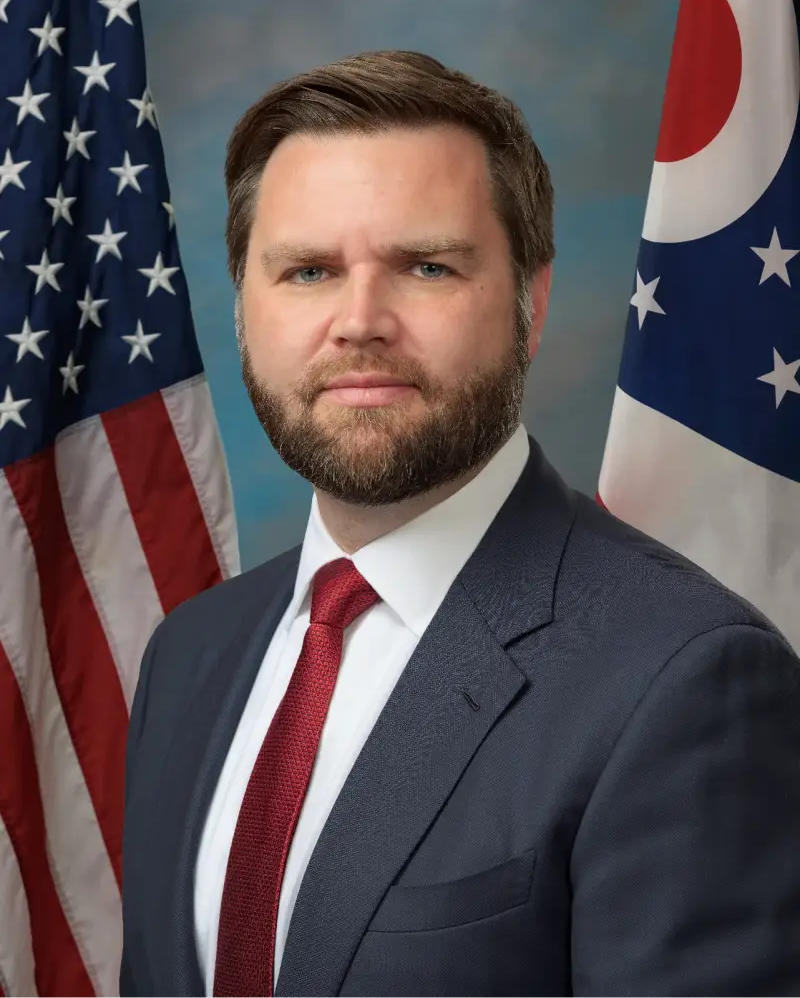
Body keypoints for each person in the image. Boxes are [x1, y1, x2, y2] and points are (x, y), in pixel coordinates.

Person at [119, 50, 800, 998]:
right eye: (308, 271)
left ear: (531, 303)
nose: (360, 321)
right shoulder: (189, 656)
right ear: (244, 310)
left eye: (427, 266)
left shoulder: (684, 679)